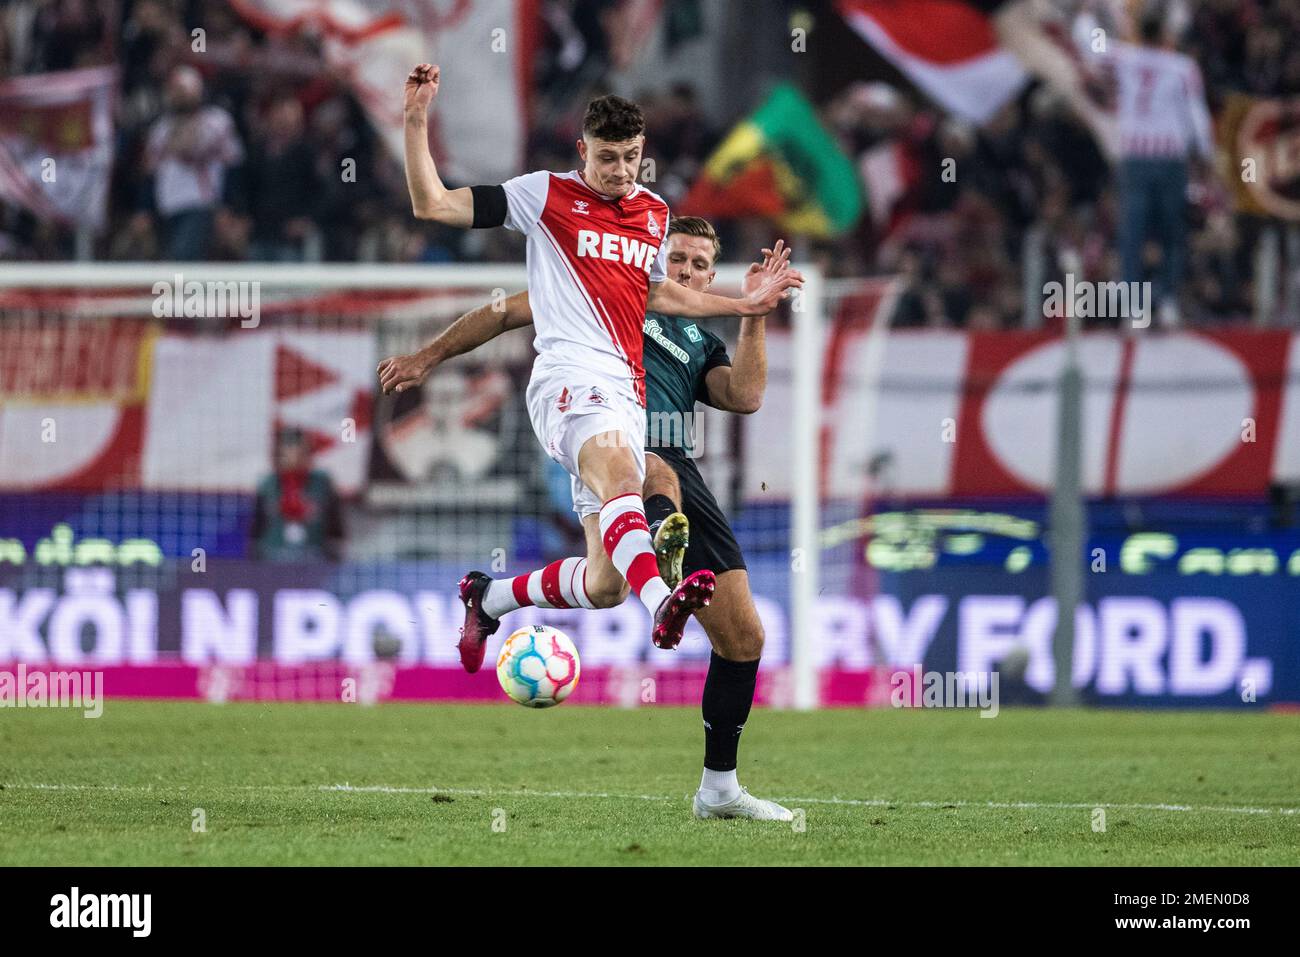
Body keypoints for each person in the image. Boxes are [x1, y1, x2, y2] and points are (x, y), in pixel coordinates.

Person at [382, 64, 801, 669]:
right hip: (568, 380)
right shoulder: (544, 194)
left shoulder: (655, 213)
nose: (621, 171)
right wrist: (416, 118)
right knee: (627, 482)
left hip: (624, 394)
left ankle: (489, 596)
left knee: (606, 585)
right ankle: (663, 599)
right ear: (583, 150)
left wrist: (745, 303)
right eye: (608, 158)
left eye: (632, 156)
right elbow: (434, 204)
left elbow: (659, 295)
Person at [379, 217, 791, 821]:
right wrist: (428, 356)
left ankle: (719, 791)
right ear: (654, 258)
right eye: (677, 258)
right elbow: (499, 314)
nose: (687, 271)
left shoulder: (701, 342)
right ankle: (664, 570)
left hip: (675, 466)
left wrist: (754, 310)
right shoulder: (603, 288)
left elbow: (745, 396)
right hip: (607, 441)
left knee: (716, 629)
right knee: (652, 471)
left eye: (701, 264)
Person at [143, 65, 243, 260]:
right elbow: (151, 171)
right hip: (167, 204)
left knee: (183, 260)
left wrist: (229, 207)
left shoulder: (217, 121)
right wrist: (144, 208)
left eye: (182, 91)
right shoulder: (160, 128)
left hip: (200, 202)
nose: (177, 96)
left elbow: (234, 166)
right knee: (170, 261)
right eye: (174, 91)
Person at [250, 427, 344, 561]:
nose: (295, 457)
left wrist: (335, 550)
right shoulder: (268, 484)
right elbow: (257, 526)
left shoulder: (322, 482)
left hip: (314, 555)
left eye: (302, 452)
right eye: (289, 451)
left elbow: (335, 525)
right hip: (274, 554)